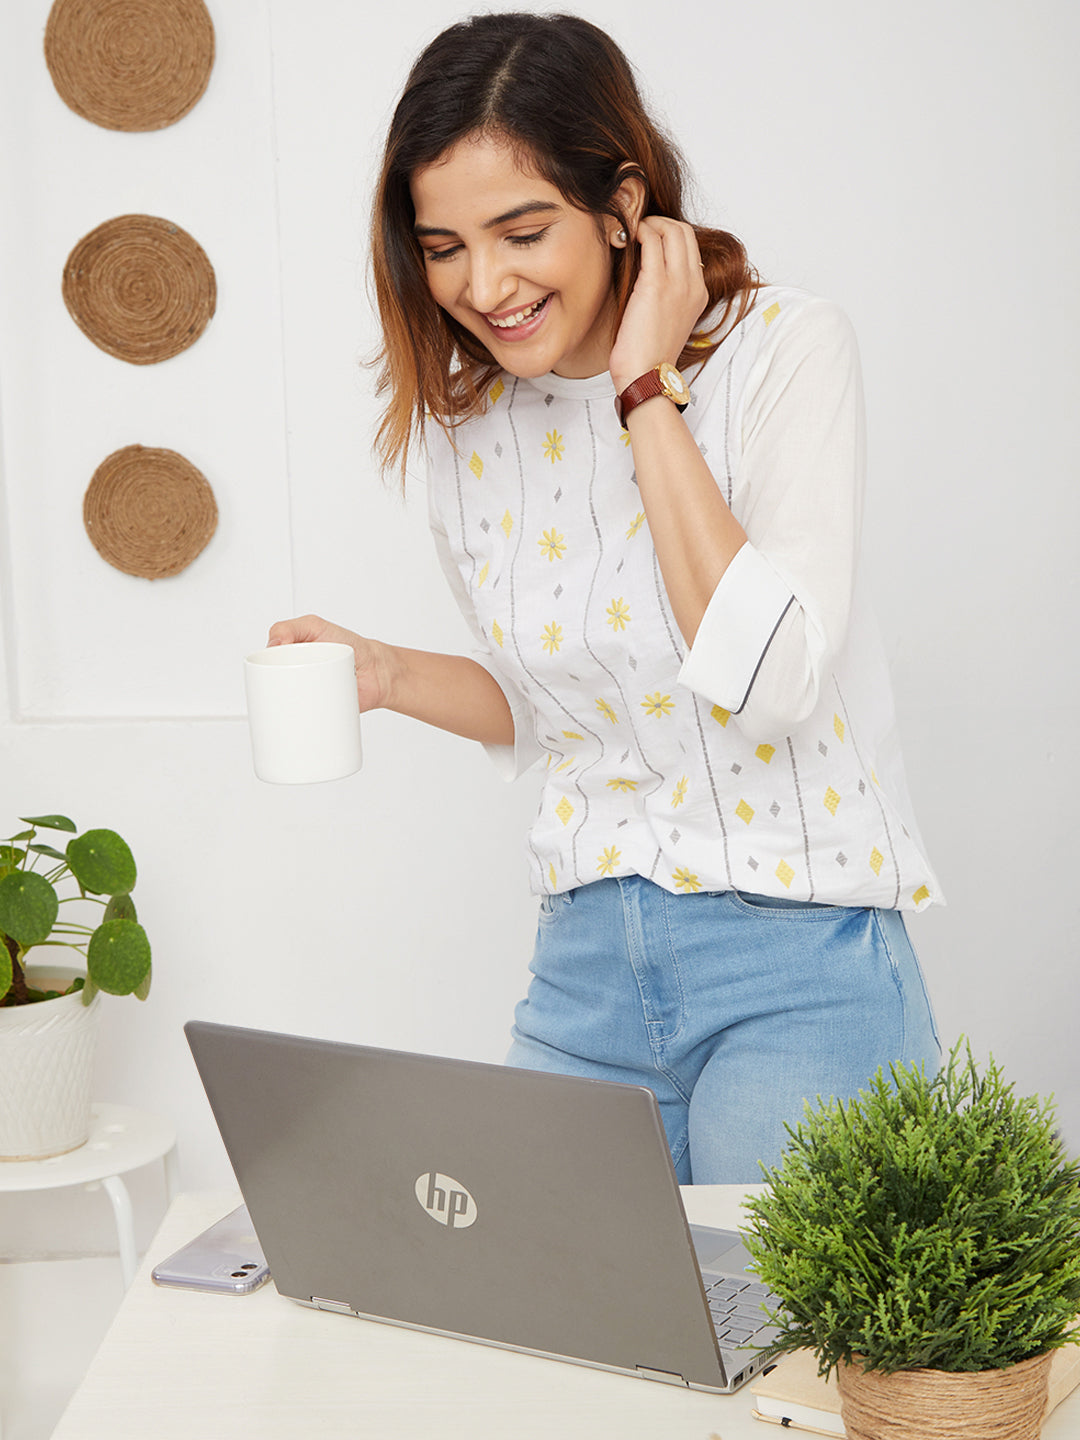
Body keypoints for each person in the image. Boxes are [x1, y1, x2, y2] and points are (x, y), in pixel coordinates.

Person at [270, 11, 942, 1184]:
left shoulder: (783, 353)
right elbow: (558, 705)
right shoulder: (469, 431)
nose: (484, 284)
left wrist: (644, 388)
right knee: (561, 1343)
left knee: (784, 1354)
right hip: (584, 967)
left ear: (622, 205)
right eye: (442, 247)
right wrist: (385, 672)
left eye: (521, 231)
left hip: (797, 961)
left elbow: (771, 679)